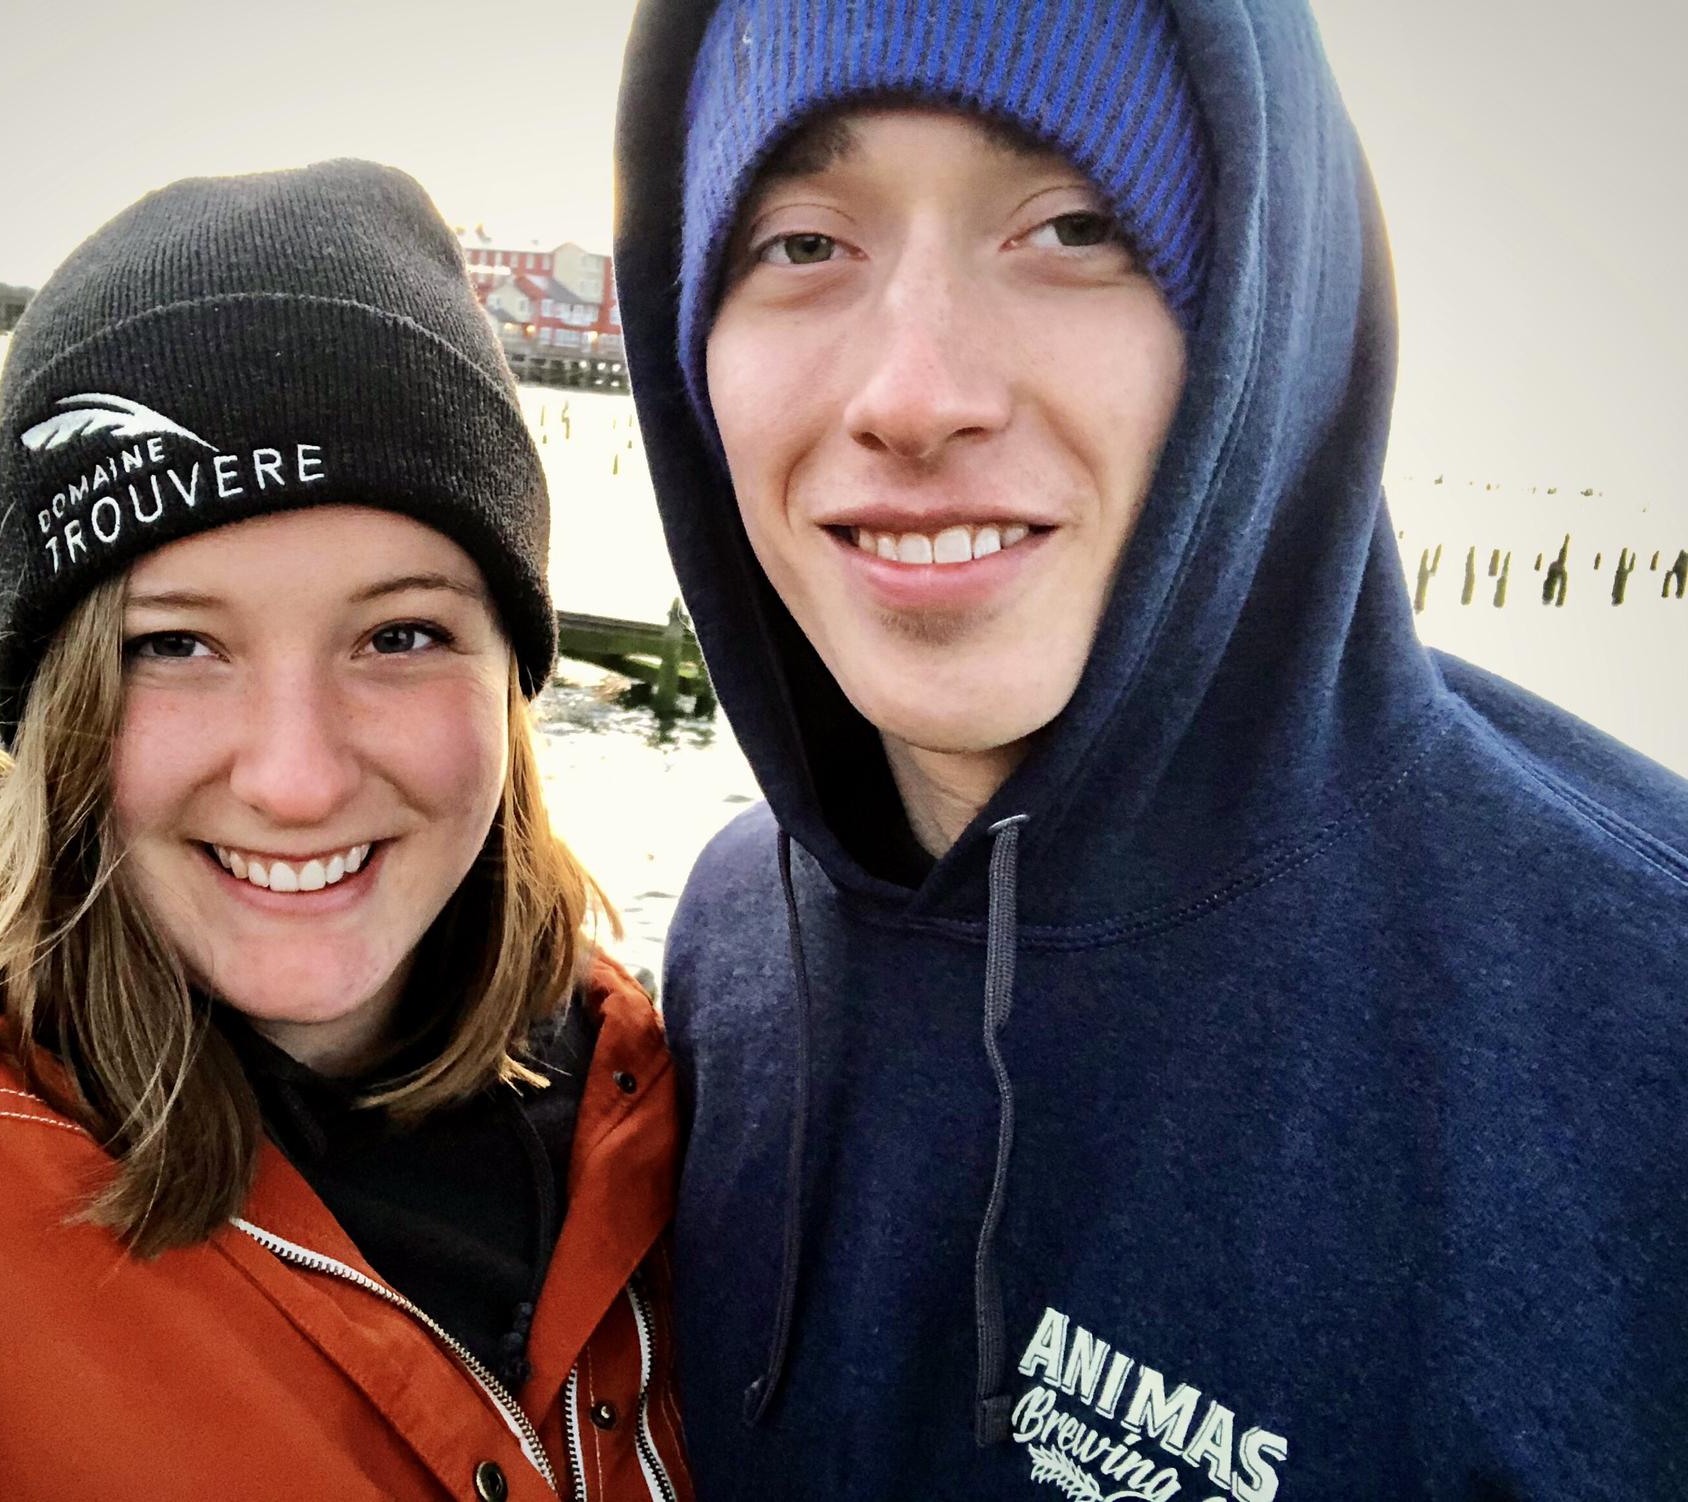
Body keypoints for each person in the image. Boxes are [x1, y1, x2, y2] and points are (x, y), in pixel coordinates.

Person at [611, 0, 1688, 1495]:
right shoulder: (736, 930)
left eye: (1075, 228)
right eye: (801, 244)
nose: (913, 394)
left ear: (1269, 304)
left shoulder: (1643, 1027)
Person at [0, 160, 692, 1501]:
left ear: (511, 679)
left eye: (401, 634)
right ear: (56, 704)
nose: (295, 780)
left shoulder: (661, 1104)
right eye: (173, 644)